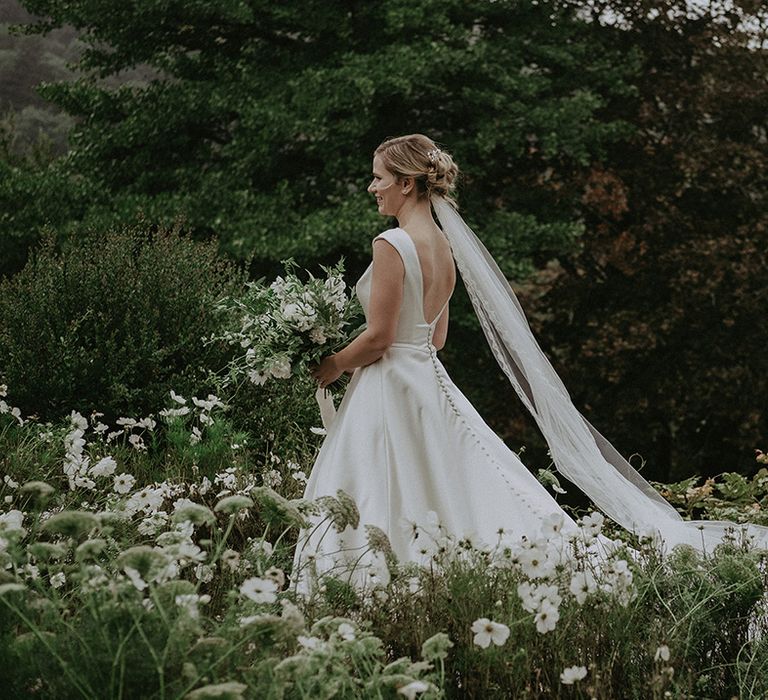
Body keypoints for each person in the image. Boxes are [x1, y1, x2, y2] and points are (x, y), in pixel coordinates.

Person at [292, 133, 768, 593]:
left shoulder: (391, 243)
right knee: (456, 479)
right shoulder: (443, 246)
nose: (372, 187)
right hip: (429, 381)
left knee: (381, 482)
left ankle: (369, 582)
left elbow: (379, 338)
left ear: (407, 183)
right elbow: (434, 336)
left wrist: (333, 362)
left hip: (391, 385)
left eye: (378, 178)